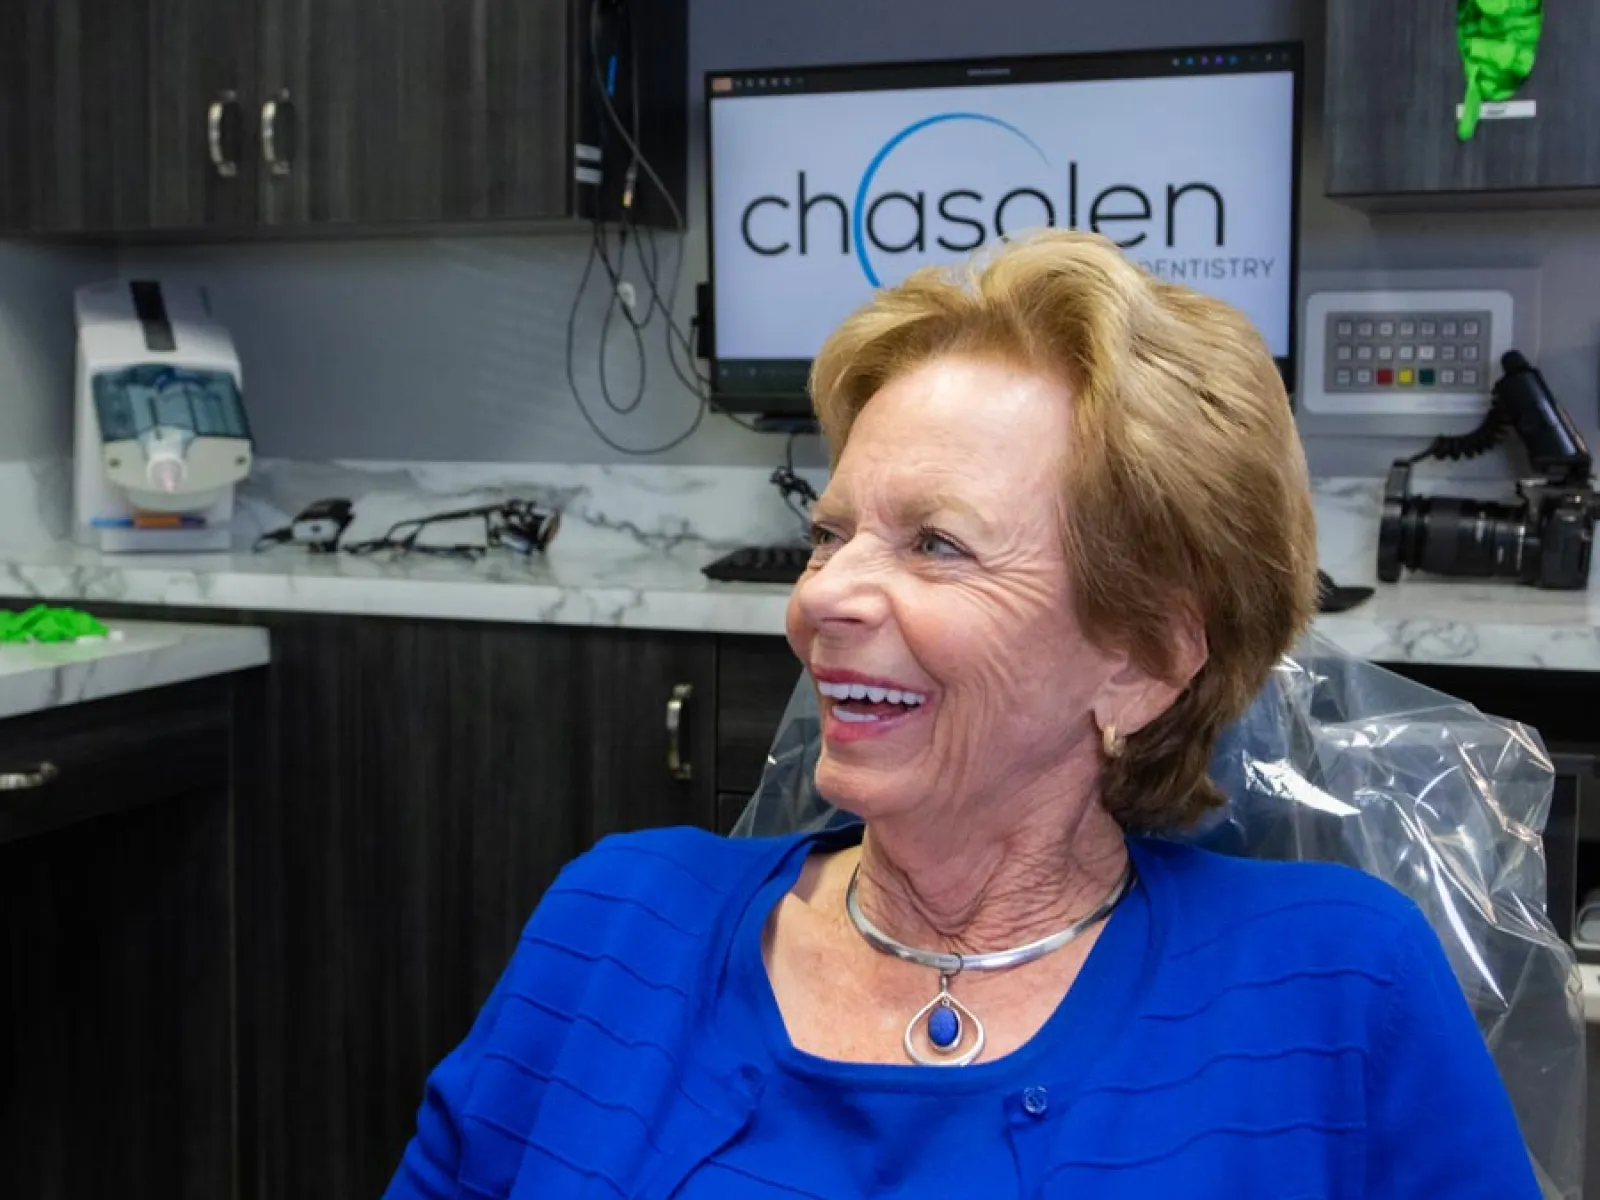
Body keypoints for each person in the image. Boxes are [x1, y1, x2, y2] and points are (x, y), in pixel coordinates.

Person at [384, 231, 1541, 1198]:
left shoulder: (1336, 991)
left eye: (936, 545)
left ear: (1139, 663)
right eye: (830, 534)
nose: (821, 597)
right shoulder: (612, 924)